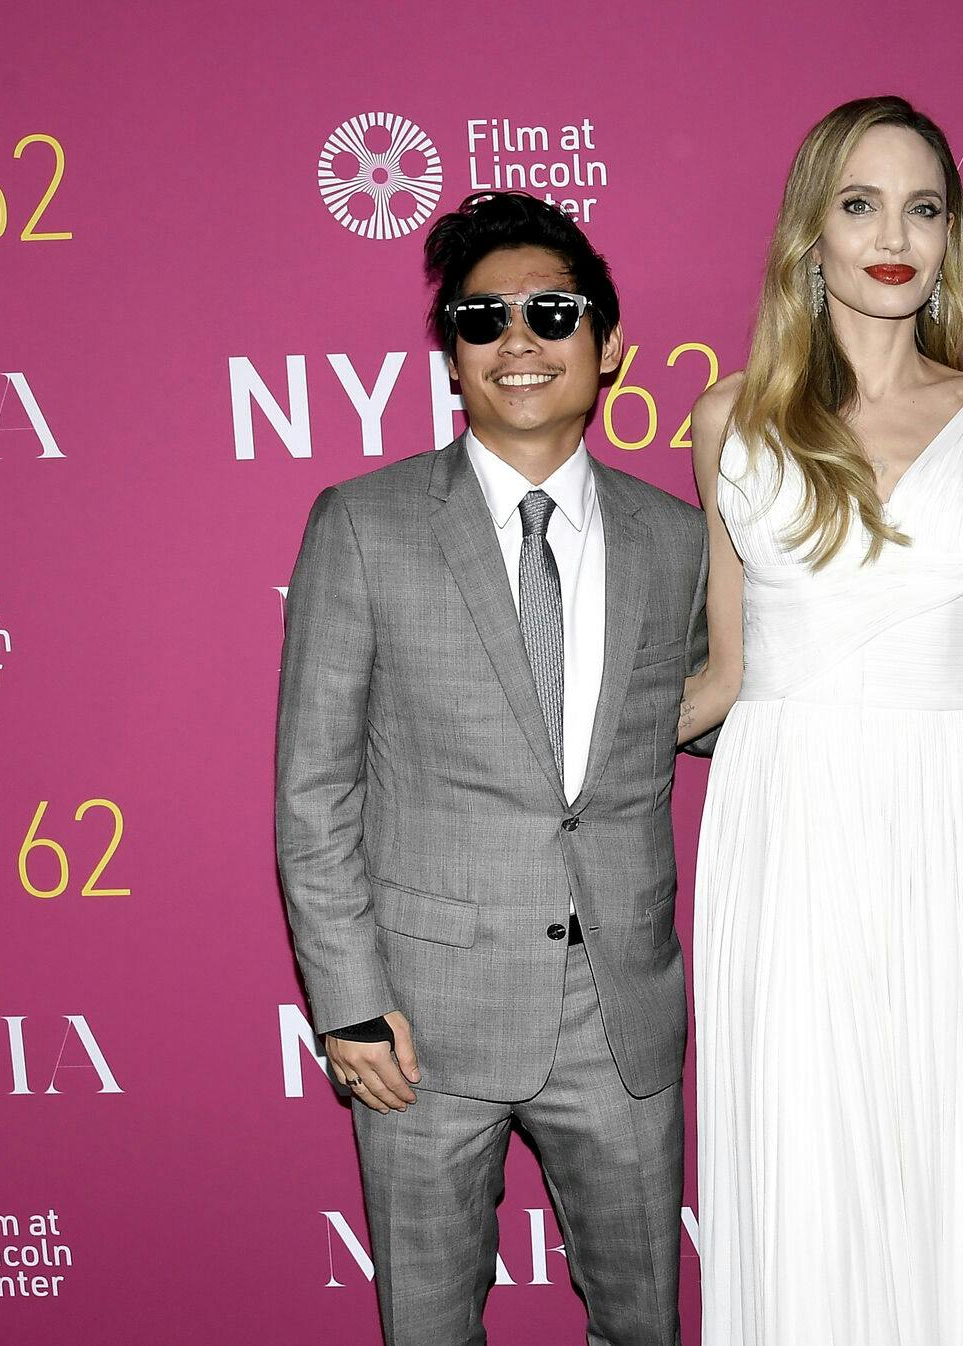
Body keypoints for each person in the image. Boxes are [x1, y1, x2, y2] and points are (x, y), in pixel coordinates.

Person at [275, 190, 709, 1346]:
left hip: (619, 1011)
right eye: (482, 319)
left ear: (608, 345)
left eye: (552, 312)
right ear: (452, 355)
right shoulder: (363, 525)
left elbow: (722, 707)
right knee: (427, 1328)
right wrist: (351, 1003)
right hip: (422, 1020)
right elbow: (314, 789)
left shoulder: (677, 538)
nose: (518, 340)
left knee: (644, 1326)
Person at [679, 95, 963, 1344]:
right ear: (811, 237)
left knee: (953, 1142)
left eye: (924, 207)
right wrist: (542, 757)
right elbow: (726, 675)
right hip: (786, 814)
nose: (894, 234)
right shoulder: (730, 421)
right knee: (802, 1148)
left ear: (951, 239)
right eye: (860, 203)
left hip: (951, 809)